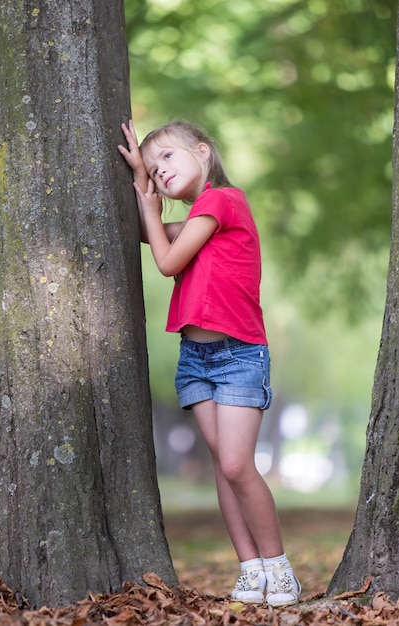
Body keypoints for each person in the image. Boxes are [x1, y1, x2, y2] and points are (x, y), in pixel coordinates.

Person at [117, 119, 301, 607]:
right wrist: (139, 185)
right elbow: (141, 230)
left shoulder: (222, 200)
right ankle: (250, 569)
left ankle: (279, 566)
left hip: (239, 353)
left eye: (168, 159)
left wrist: (150, 204)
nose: (161, 173)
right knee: (223, 466)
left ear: (202, 151)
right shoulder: (200, 221)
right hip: (197, 358)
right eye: (155, 171)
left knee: (238, 464)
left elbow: (166, 260)